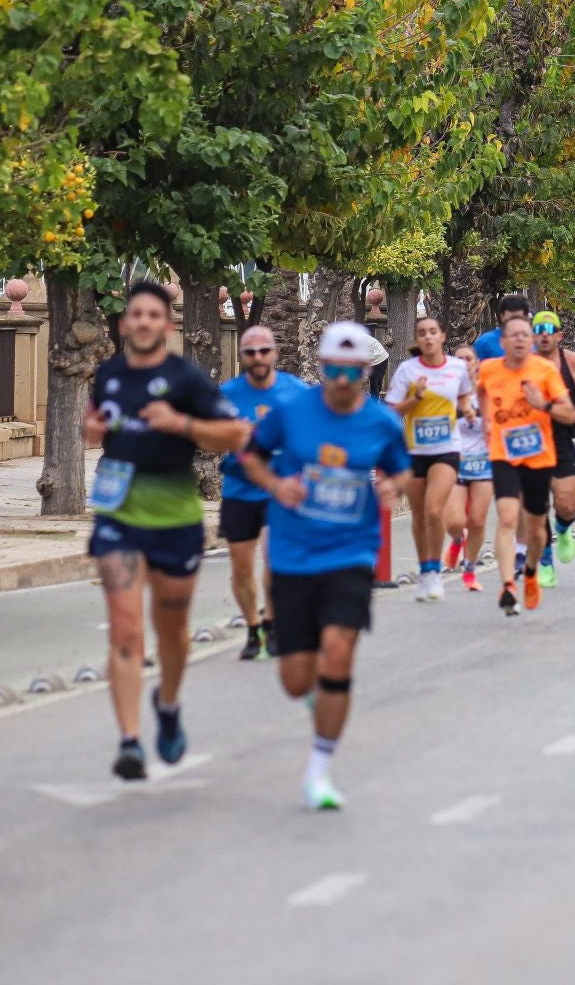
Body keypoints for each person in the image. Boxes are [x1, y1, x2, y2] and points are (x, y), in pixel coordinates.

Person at [85, 281, 249, 781]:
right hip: (118, 516)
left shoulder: (186, 378)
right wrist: (92, 432)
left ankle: (169, 703)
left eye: (153, 315)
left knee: (172, 627)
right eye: (135, 314)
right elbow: (97, 424)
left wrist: (182, 425)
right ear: (124, 323)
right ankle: (130, 740)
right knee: (126, 627)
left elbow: (235, 434)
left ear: (167, 325)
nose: (143, 322)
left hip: (175, 518)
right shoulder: (109, 375)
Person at [240, 322, 407, 810]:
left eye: (353, 371)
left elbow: (402, 468)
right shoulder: (292, 412)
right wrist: (276, 485)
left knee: (338, 653)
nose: (343, 379)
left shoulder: (381, 422)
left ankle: (320, 769)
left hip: (351, 553)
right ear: (321, 367)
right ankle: (315, 695)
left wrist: (394, 486)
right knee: (296, 679)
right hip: (293, 554)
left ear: (365, 372)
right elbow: (250, 456)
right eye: (335, 369)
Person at [218, 325, 308, 658]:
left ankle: (271, 621)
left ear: (275, 353)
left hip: (280, 490)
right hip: (239, 489)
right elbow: (209, 435)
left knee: (275, 558)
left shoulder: (295, 391)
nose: (258, 357)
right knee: (241, 569)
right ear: (242, 357)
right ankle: (252, 627)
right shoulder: (227, 394)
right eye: (251, 352)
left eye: (264, 351)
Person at [473, 317, 573, 614]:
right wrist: (485, 420)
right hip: (503, 454)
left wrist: (543, 404)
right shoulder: (489, 369)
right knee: (506, 517)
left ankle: (530, 571)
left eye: (524, 335)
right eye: (512, 335)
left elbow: (568, 413)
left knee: (535, 528)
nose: (519, 339)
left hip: (538, 457)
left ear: (531, 341)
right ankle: (508, 585)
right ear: (502, 342)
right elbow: (480, 394)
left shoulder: (545, 370)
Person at [382, 316, 475, 603]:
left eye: (433, 331)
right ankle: (425, 569)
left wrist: (467, 410)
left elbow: (464, 396)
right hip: (414, 451)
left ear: (442, 337)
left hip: (447, 448)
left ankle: (434, 571)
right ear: (418, 339)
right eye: (422, 333)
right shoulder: (407, 370)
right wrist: (415, 399)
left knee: (435, 511)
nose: (428, 337)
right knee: (420, 515)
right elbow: (391, 412)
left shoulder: (456, 368)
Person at [531, 311, 575, 585]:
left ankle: (563, 527)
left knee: (567, 505)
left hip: (563, 438)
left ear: (559, 335)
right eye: (539, 330)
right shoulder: (523, 364)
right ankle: (546, 562)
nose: (544, 335)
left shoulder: (573, 362)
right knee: (537, 507)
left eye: (550, 330)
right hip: (531, 441)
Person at [444, 344, 493, 592]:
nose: (464, 363)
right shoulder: (446, 394)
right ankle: (456, 539)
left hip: (484, 463)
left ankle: (470, 569)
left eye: (468, 358)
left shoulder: (487, 391)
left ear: (476, 363)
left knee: (477, 520)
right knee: (455, 521)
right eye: (459, 359)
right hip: (455, 463)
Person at [472, 293, 529, 362]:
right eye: (510, 319)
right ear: (502, 316)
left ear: (526, 317)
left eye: (517, 318)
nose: (513, 323)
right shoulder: (485, 342)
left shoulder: (535, 342)